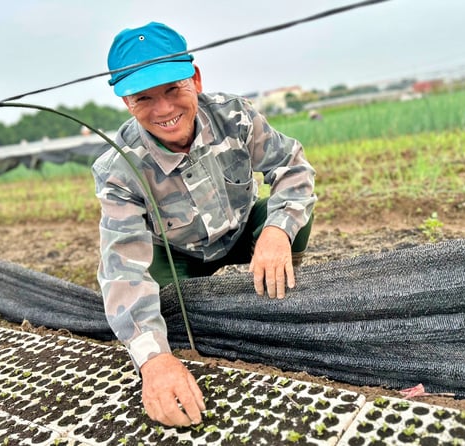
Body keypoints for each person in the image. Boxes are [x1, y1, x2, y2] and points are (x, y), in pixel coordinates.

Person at [91, 22, 317, 427]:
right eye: (144, 98)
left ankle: (280, 291)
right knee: (154, 304)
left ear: (194, 78)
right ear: (127, 101)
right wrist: (155, 361)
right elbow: (121, 266)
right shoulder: (119, 169)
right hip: (180, 255)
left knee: (289, 219)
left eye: (173, 90)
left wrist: (276, 231)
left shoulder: (235, 117)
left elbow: (292, 167)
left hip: (244, 231)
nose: (163, 110)